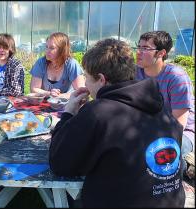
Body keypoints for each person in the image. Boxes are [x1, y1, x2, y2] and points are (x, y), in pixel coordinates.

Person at [49, 38, 185, 207]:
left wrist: (68, 113)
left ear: (101, 79)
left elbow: (60, 162)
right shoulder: (159, 105)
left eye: (87, 78)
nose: (85, 84)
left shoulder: (98, 111)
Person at [135, 31, 195, 179]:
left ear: (161, 53)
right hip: (148, 127)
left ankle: (180, 177)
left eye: (146, 48)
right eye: (139, 46)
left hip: (182, 132)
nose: (139, 52)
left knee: (164, 156)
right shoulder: (136, 73)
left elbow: (178, 125)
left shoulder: (176, 77)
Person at [30, 32, 85, 98]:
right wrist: (49, 93)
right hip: (44, 105)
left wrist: (60, 96)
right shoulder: (41, 63)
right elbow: (34, 89)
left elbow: (81, 92)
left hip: (67, 105)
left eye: (52, 48)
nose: (47, 51)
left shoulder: (71, 64)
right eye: (46, 47)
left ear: (62, 50)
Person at [0, 33, 25, 99]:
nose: (1, 50)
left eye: (5, 47)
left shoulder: (15, 65)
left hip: (13, 102)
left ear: (10, 50)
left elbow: (16, 90)